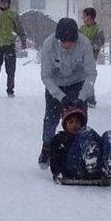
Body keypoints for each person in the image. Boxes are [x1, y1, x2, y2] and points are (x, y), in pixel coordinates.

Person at [38, 17, 97, 168]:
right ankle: (46, 148)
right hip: (56, 86)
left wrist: (82, 97)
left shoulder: (84, 44)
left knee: (79, 121)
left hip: (77, 84)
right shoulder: (48, 46)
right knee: (51, 120)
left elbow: (91, 74)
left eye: (70, 42)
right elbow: (46, 76)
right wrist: (60, 97)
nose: (67, 46)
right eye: (64, 42)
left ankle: (81, 149)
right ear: (58, 39)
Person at [49, 106, 111, 183]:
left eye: (77, 122)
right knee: (86, 132)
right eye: (71, 122)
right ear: (65, 125)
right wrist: (58, 173)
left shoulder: (87, 136)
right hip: (75, 168)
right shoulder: (60, 138)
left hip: (97, 168)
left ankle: (108, 166)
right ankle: (90, 159)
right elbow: (54, 158)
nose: (74, 125)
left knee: (110, 134)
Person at [0, 0, 28, 98]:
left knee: (10, 69)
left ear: (9, 3)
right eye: (1, 2)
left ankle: (10, 90)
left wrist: (23, 40)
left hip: (10, 45)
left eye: (5, 2)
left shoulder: (13, 14)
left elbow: (19, 28)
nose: (3, 4)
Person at [79, 7, 105, 107]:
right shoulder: (82, 28)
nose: (82, 18)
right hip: (80, 57)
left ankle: (90, 99)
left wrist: (88, 44)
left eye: (84, 15)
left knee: (88, 76)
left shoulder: (98, 29)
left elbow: (99, 42)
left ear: (89, 17)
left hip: (91, 57)